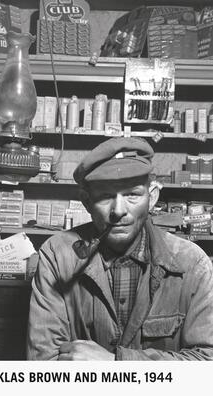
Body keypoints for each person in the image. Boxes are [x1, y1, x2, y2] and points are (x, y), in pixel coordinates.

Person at [26, 137, 213, 360]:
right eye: (105, 196)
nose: (118, 210)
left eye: (132, 194)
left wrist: (116, 364)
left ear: (152, 197)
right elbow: (42, 364)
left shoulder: (192, 262)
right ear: (86, 201)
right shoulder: (57, 256)